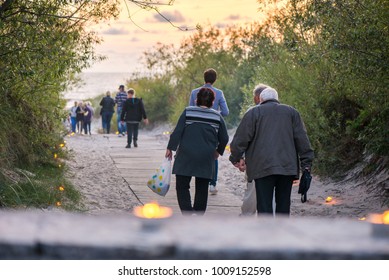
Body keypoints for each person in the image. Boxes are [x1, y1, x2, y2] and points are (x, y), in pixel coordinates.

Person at [229, 86, 314, 217]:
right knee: (284, 205)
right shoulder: (292, 112)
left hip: (262, 167)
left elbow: (241, 138)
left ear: (260, 99)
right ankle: (280, 233)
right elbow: (302, 140)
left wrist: (235, 157)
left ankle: (266, 234)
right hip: (287, 167)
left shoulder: (253, 113)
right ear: (276, 99)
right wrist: (306, 164)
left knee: (264, 206)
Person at [166, 87, 229, 215]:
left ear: (196, 99)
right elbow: (225, 138)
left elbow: (177, 132)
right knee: (202, 188)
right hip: (206, 156)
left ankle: (188, 214)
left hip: (185, 154)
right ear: (212, 102)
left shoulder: (188, 112)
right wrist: (218, 151)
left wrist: (170, 148)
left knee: (182, 186)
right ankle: (198, 217)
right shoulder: (217, 116)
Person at [189, 68, 229, 195]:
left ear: (204, 78)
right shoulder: (219, 93)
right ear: (215, 79)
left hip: (195, 127)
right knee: (213, 155)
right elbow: (226, 112)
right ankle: (212, 184)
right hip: (212, 128)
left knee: (196, 152)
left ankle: (197, 179)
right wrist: (216, 114)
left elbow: (190, 109)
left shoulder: (195, 92)